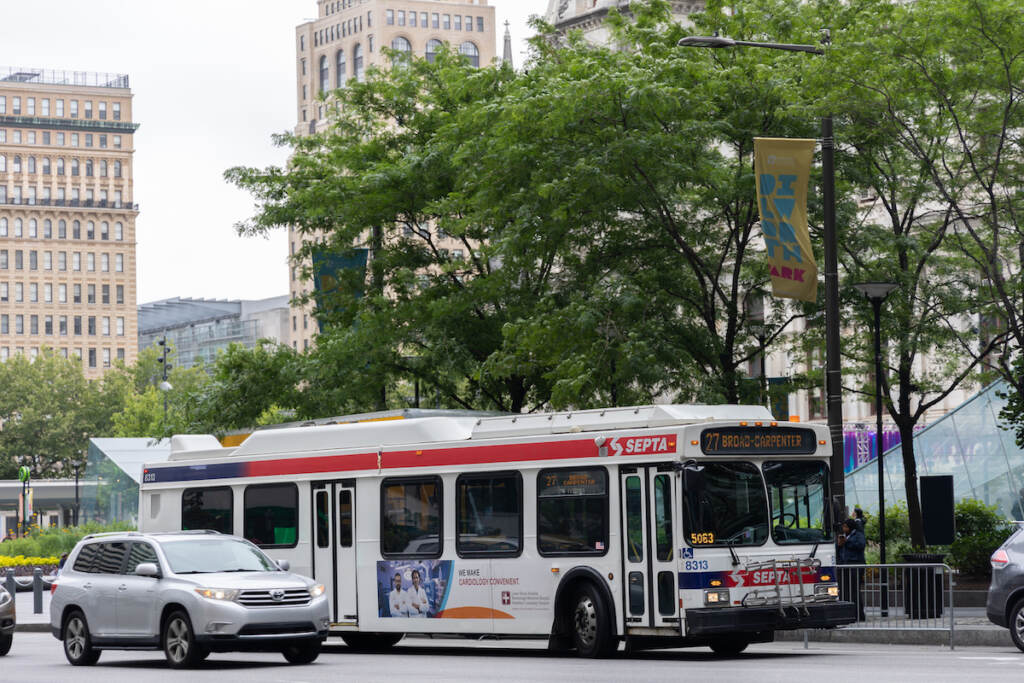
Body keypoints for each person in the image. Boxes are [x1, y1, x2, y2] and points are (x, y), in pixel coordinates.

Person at [837, 518, 867, 620]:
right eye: (843, 526)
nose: (843, 528)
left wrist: (847, 542)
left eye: (845, 526)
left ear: (850, 527)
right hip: (845, 565)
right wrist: (839, 545)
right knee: (845, 590)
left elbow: (861, 545)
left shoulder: (858, 534)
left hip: (855, 565)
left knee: (854, 589)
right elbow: (840, 550)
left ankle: (859, 614)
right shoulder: (845, 536)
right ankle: (848, 613)